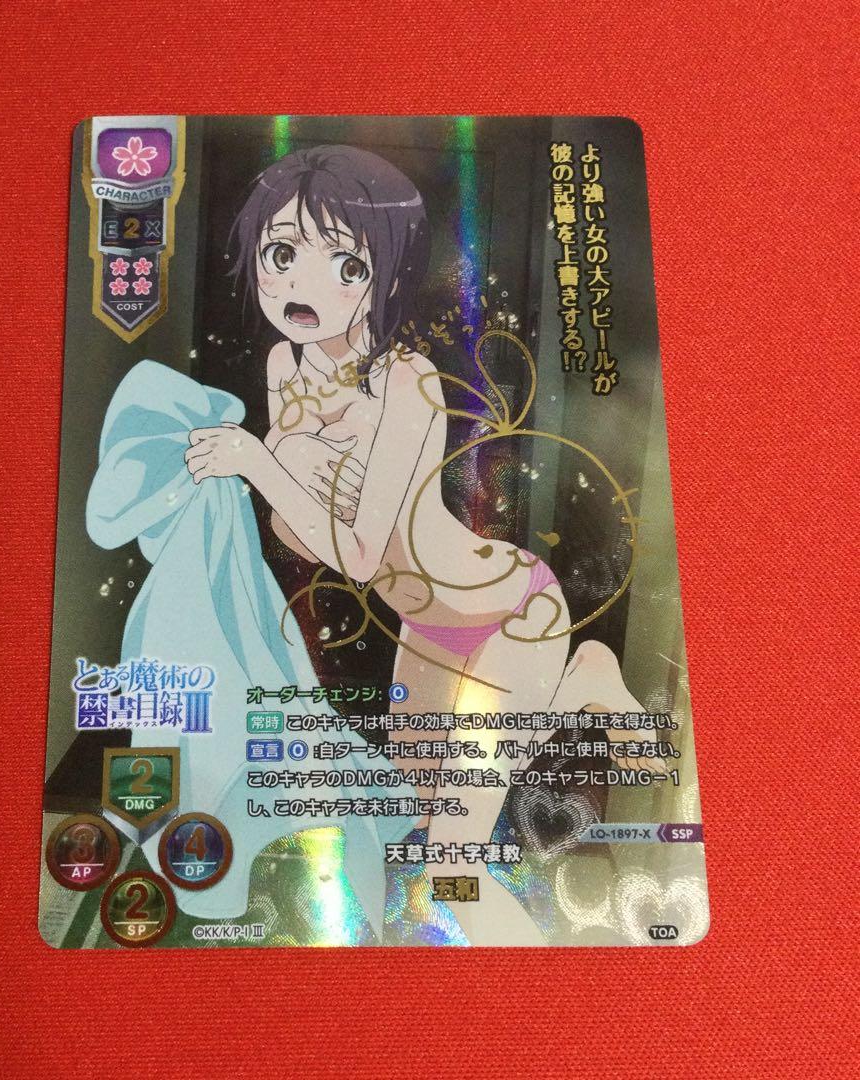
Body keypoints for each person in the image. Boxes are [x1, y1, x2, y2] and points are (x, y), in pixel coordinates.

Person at [185, 145, 658, 944]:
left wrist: (263, 464)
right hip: (428, 626)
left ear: (386, 276)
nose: (301, 287)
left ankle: (549, 1003)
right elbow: (300, 537)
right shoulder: (283, 364)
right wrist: (280, 478)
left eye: (344, 265)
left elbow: (357, 553)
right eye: (281, 255)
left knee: (451, 863)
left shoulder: (408, 384)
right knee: (404, 809)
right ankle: (580, 684)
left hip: (510, 613)